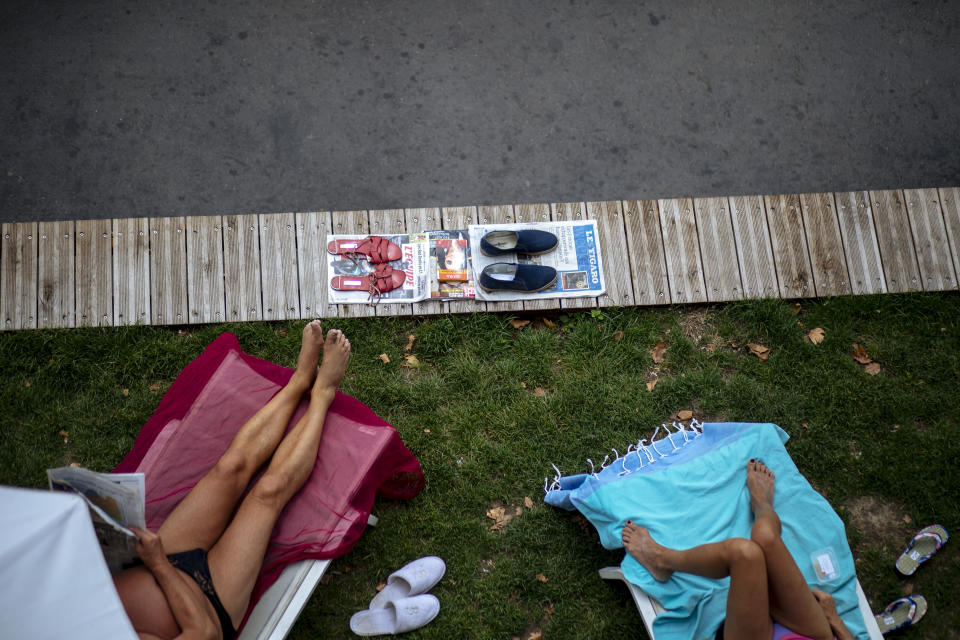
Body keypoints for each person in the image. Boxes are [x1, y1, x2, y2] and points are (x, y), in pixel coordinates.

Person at [113, 321, 351, 640]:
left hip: (158, 558)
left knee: (230, 466)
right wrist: (158, 565)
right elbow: (204, 632)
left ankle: (299, 381)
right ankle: (322, 393)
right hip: (212, 600)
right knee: (268, 493)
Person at [621, 460, 854, 640]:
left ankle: (662, 560)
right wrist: (836, 620)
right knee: (765, 536)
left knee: (744, 554)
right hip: (812, 635)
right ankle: (762, 505)